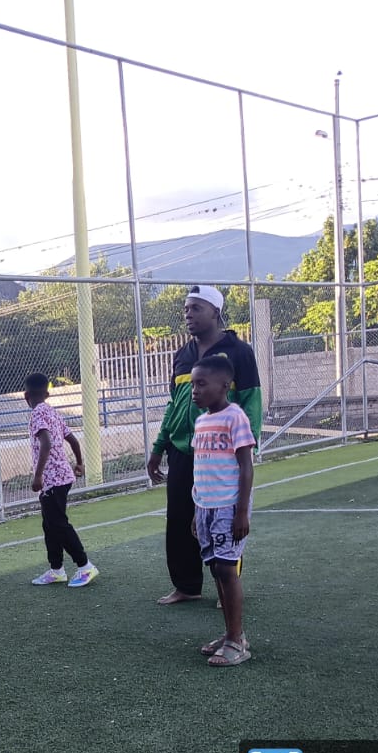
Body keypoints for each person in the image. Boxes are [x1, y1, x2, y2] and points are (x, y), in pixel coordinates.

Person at [147, 285, 262, 606]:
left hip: (220, 455)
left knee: (222, 519)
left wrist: (247, 447)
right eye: (186, 309)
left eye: (196, 308)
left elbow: (252, 400)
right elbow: (173, 404)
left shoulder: (239, 352)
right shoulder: (182, 355)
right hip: (182, 451)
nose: (188, 314)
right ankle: (187, 586)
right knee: (179, 519)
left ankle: (227, 587)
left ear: (215, 312)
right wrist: (159, 447)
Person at [188, 353, 255, 666]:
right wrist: (196, 509)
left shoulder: (235, 417)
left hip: (229, 506)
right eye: (193, 385)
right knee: (216, 569)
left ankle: (236, 641)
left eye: (202, 384)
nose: (195, 391)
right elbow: (201, 467)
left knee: (228, 569)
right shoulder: (201, 421)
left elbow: (246, 466)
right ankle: (231, 634)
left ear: (225, 385)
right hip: (206, 507)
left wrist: (241, 511)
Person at [23, 372, 97, 587]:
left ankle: (85, 565)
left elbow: (46, 443)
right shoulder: (52, 412)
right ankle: (56, 569)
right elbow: (72, 440)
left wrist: (38, 475)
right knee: (50, 525)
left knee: (58, 524)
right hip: (62, 477)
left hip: (52, 479)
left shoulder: (37, 413)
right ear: (47, 394)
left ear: (26, 395)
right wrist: (80, 463)